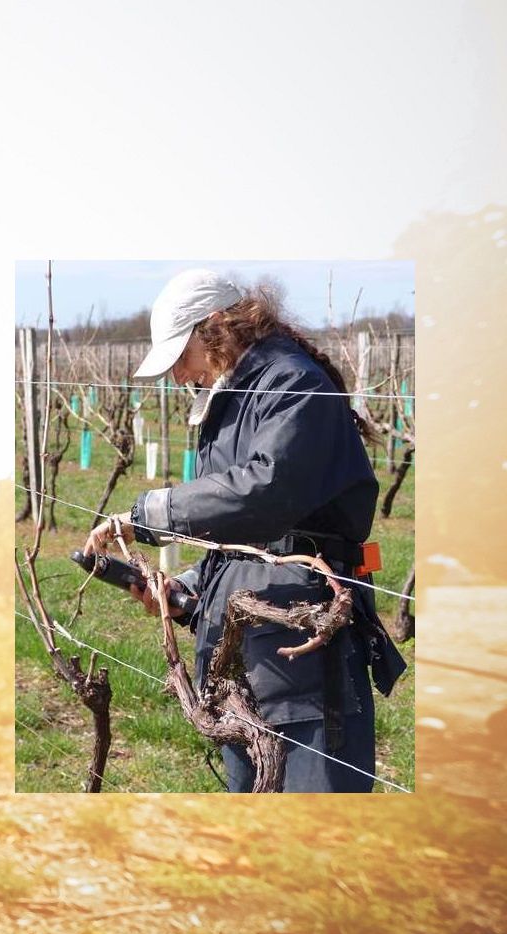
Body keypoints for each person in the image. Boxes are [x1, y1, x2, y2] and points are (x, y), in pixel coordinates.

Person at [84, 269, 406, 792]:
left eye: (181, 359)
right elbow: (237, 535)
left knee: (313, 820)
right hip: (242, 646)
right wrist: (190, 590)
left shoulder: (291, 383)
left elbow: (268, 493)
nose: (178, 377)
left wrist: (149, 514)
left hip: (298, 645)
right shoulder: (234, 395)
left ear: (214, 327)